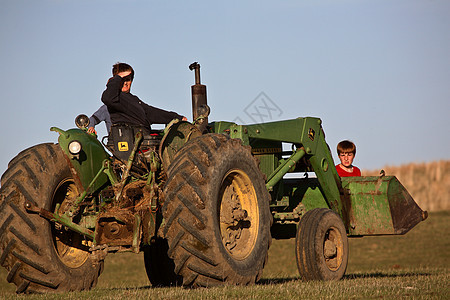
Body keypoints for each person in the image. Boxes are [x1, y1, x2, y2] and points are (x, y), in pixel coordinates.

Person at [101, 62, 186, 130]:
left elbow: (151, 113)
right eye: (122, 79)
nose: (125, 83)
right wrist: (116, 79)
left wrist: (176, 117)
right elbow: (108, 98)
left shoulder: (134, 100)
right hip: (129, 141)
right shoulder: (115, 98)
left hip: (143, 138)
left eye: (128, 79)